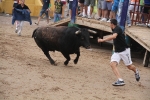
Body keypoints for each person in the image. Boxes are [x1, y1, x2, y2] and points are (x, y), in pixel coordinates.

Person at [97, 19, 140, 86]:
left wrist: (103, 40)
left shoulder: (117, 28)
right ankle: (120, 80)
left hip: (124, 50)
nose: (109, 25)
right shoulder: (114, 29)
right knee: (112, 64)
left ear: (112, 24)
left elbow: (114, 36)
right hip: (117, 51)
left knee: (129, 66)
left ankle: (136, 71)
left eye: (109, 24)